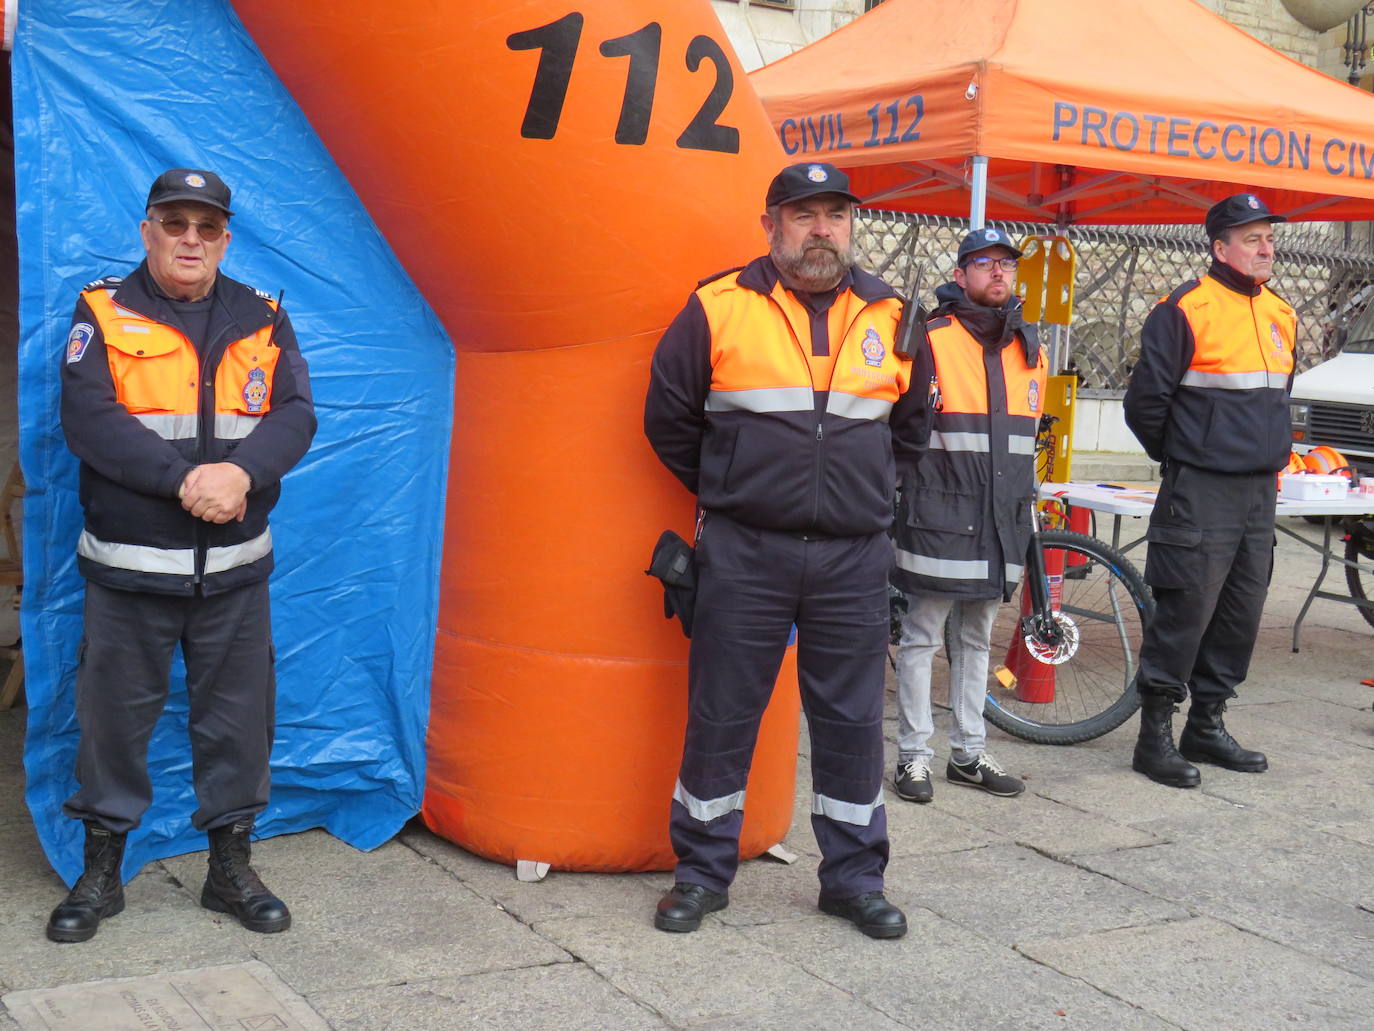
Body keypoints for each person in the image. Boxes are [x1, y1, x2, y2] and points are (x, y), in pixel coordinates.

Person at [644, 161, 925, 939]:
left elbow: (911, 433)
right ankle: (701, 875)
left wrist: (861, 496)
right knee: (722, 714)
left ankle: (854, 879)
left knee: (852, 721)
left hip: (851, 560)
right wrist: (737, 487)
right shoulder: (718, 307)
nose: (822, 229)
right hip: (745, 552)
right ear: (771, 225)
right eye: (805, 215)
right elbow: (667, 416)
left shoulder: (894, 315)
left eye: (836, 214)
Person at [47, 168, 316, 942]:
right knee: (111, 725)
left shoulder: (262, 317)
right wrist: (188, 480)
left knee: (237, 725)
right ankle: (101, 870)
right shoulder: (103, 310)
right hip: (130, 568)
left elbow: (296, 412)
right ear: (147, 232)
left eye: (206, 226)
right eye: (175, 224)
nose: (190, 239)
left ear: (225, 238)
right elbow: (89, 418)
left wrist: (243, 472)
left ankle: (228, 867)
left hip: (235, 572)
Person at [1123, 193, 1293, 788]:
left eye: (1269, 236)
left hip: (1257, 492)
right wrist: (1186, 457)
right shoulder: (1184, 309)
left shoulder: (1282, 313)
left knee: (1241, 612)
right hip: (1201, 487)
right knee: (1185, 610)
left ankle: (1208, 723)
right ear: (1220, 247)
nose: (1266, 247)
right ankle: (1155, 737)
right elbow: (1146, 404)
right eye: (1252, 238)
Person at [890, 228, 1045, 805]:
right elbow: (902, 423)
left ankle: (968, 752)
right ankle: (913, 757)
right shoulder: (932, 338)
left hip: (1001, 516)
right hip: (939, 510)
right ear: (960, 275)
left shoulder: (1030, 347)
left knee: (978, 637)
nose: (999, 273)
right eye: (985, 264)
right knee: (922, 635)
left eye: (1006, 264)